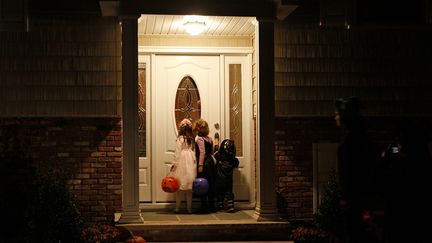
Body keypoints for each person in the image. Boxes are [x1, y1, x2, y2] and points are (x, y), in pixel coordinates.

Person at [334, 96, 375, 243]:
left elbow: (351, 173)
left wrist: (346, 197)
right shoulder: (361, 138)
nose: (335, 117)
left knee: (355, 234)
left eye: (338, 114)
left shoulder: (350, 142)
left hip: (355, 200)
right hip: (360, 198)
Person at [170, 118, 197, 213]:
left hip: (182, 160)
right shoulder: (192, 139)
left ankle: (177, 207)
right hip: (190, 160)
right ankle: (189, 208)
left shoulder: (180, 138)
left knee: (179, 186)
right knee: (189, 187)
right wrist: (195, 164)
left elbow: (177, 152)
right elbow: (194, 152)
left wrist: (174, 163)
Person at [193, 118, 216, 213]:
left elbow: (202, 152)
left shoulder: (200, 139)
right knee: (210, 182)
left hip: (204, 163)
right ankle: (211, 205)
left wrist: (200, 165)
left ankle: (204, 206)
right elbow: (211, 152)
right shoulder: (210, 139)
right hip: (210, 161)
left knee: (202, 183)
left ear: (197, 129)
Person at [214, 139, 239, 212]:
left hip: (219, 178)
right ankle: (230, 205)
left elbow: (214, 157)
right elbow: (236, 164)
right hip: (228, 180)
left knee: (219, 191)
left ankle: (220, 204)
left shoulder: (218, 156)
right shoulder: (232, 160)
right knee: (229, 191)